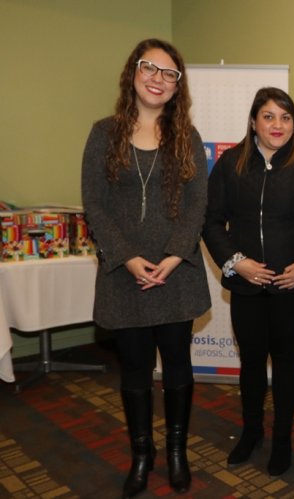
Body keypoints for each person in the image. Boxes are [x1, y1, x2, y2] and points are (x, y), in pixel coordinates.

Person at [81, 39, 211, 498]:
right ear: (132, 73)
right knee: (134, 368)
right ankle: (142, 454)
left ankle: (176, 452)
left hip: (178, 273)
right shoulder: (103, 132)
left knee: (178, 365)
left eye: (169, 73)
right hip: (124, 273)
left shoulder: (187, 136)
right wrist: (129, 258)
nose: (158, 78)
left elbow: (198, 204)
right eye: (149, 68)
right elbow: (94, 203)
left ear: (178, 86)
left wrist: (175, 256)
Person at [202, 87, 294, 476]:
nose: (277, 125)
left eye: (286, 117)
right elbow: (211, 221)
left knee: (286, 361)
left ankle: (283, 439)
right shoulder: (231, 163)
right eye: (269, 116)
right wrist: (237, 263)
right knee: (252, 361)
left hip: (291, 285)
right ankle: (251, 432)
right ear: (254, 120)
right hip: (246, 285)